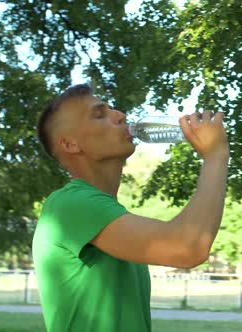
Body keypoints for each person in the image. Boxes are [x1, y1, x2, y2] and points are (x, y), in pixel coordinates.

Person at [32, 83, 229, 332]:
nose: (120, 115)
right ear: (70, 144)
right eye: (100, 114)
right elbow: (187, 247)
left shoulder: (109, 215)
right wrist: (215, 156)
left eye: (112, 109)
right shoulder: (69, 205)